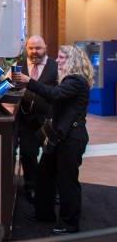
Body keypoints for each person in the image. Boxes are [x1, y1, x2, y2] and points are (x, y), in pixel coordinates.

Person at [13, 45, 93, 235]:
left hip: (71, 139)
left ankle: (69, 224)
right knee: (45, 176)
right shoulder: (68, 81)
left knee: (67, 182)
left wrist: (28, 81)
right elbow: (55, 100)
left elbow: (54, 95)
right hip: (60, 138)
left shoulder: (76, 80)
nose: (56, 61)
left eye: (61, 58)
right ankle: (44, 214)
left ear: (73, 60)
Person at [15, 35, 58, 203]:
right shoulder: (18, 66)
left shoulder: (55, 66)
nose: (34, 52)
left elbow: (57, 93)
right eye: (31, 48)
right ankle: (31, 188)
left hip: (49, 121)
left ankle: (51, 190)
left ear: (45, 48)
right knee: (28, 155)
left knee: (52, 156)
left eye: (38, 48)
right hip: (27, 121)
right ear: (26, 49)